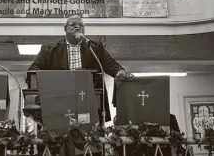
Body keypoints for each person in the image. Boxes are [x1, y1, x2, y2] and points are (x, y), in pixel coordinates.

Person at [28, 15, 134, 156]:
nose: (78, 27)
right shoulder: (49, 49)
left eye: (81, 25)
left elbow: (110, 64)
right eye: (73, 24)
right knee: (57, 139)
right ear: (65, 29)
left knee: (90, 138)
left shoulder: (94, 47)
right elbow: (34, 70)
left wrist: (120, 72)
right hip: (58, 99)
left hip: (89, 98)